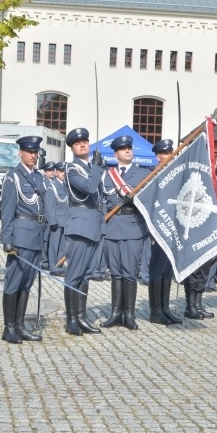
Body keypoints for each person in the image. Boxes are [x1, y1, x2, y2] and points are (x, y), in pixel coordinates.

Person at [0, 136, 47, 343]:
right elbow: (7, 210)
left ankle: (20, 325)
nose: (33, 156)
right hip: (20, 236)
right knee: (14, 283)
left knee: (27, 283)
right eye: (29, 152)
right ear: (21, 152)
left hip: (36, 235)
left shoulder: (39, 177)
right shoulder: (13, 177)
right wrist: (6, 238)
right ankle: (8, 327)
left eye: (36, 152)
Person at [99, 135, 149, 330]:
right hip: (112, 227)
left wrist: (135, 200)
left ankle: (129, 314)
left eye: (129, 147)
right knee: (116, 273)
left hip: (132, 226)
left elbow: (149, 200)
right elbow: (99, 201)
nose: (128, 150)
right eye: (123, 148)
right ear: (116, 153)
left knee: (129, 272)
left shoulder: (142, 174)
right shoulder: (106, 175)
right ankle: (115, 313)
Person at [62, 128, 105, 336]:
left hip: (93, 224)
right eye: (78, 142)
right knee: (74, 274)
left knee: (86, 275)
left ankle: (81, 316)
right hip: (80, 225)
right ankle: (71, 319)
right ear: (71, 147)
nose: (82, 144)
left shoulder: (91, 167)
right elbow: (88, 188)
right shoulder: (72, 169)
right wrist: (97, 169)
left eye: (85, 141)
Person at [148, 139, 182, 325]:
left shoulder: (177, 175)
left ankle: (164, 308)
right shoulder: (153, 175)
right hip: (158, 227)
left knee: (168, 269)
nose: (168, 156)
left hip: (173, 228)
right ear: (158, 156)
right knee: (157, 268)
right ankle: (155, 311)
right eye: (165, 154)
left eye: (171, 153)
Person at [45, 162, 69, 277]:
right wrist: (52, 221)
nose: (63, 174)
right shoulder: (53, 186)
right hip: (57, 220)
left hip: (66, 220)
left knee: (63, 245)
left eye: (64, 171)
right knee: (54, 244)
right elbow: (50, 206)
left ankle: (59, 264)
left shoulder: (66, 186)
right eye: (60, 171)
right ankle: (53, 267)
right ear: (55, 172)